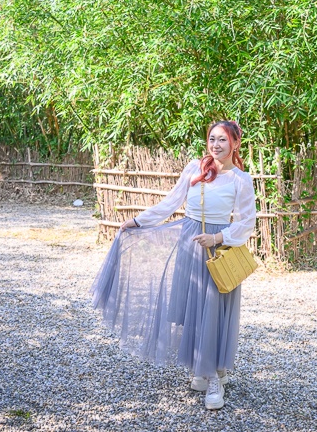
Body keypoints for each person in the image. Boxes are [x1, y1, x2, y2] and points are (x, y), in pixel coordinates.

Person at [90, 120, 257, 410]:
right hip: (189, 245)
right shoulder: (195, 169)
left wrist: (218, 237)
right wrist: (139, 221)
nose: (215, 145)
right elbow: (171, 202)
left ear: (235, 144)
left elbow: (247, 223)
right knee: (193, 310)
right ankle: (200, 369)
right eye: (212, 139)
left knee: (214, 312)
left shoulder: (240, 179)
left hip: (219, 250)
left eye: (222, 140)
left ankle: (216, 376)